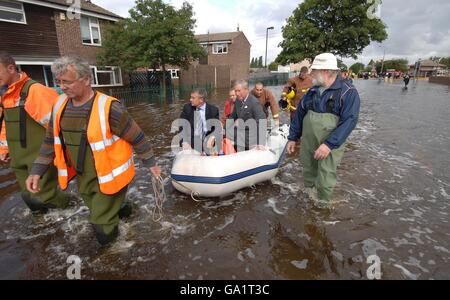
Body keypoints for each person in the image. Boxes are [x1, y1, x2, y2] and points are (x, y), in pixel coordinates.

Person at [25, 56, 161, 245]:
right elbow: (50, 141)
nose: (62, 87)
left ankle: (113, 253)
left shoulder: (109, 108)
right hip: (84, 178)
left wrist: (151, 164)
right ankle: (124, 209)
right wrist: (36, 171)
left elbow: (137, 136)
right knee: (101, 209)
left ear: (87, 79)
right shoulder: (58, 106)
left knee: (100, 225)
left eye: (67, 82)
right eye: (59, 82)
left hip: (110, 178)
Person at [0, 51, 72, 213]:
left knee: (45, 196)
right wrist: (3, 148)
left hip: (39, 157)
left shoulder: (35, 91)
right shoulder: (4, 95)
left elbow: (60, 125)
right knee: (28, 197)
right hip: (18, 159)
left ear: (11, 68)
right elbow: (5, 124)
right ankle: (42, 224)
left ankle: (73, 208)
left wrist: (67, 154)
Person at [287, 53, 360, 209]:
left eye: (314, 71)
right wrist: (292, 137)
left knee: (325, 176)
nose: (311, 74)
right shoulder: (313, 91)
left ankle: (324, 210)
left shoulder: (348, 92)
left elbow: (349, 121)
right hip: (309, 140)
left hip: (330, 142)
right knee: (308, 170)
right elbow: (300, 114)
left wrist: (328, 144)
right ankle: (309, 203)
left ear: (326, 71)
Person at [227, 80, 267, 151]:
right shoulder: (238, 101)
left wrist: (260, 142)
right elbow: (232, 117)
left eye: (239, 91)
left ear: (246, 90)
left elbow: (261, 121)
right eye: (235, 91)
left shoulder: (254, 103)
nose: (237, 93)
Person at [179, 88, 220, 154]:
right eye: (190, 97)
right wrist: (184, 141)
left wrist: (213, 137)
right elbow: (182, 126)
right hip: (191, 141)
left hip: (208, 142)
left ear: (201, 100)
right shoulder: (187, 108)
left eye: (193, 98)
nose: (190, 99)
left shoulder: (213, 110)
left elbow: (216, 128)